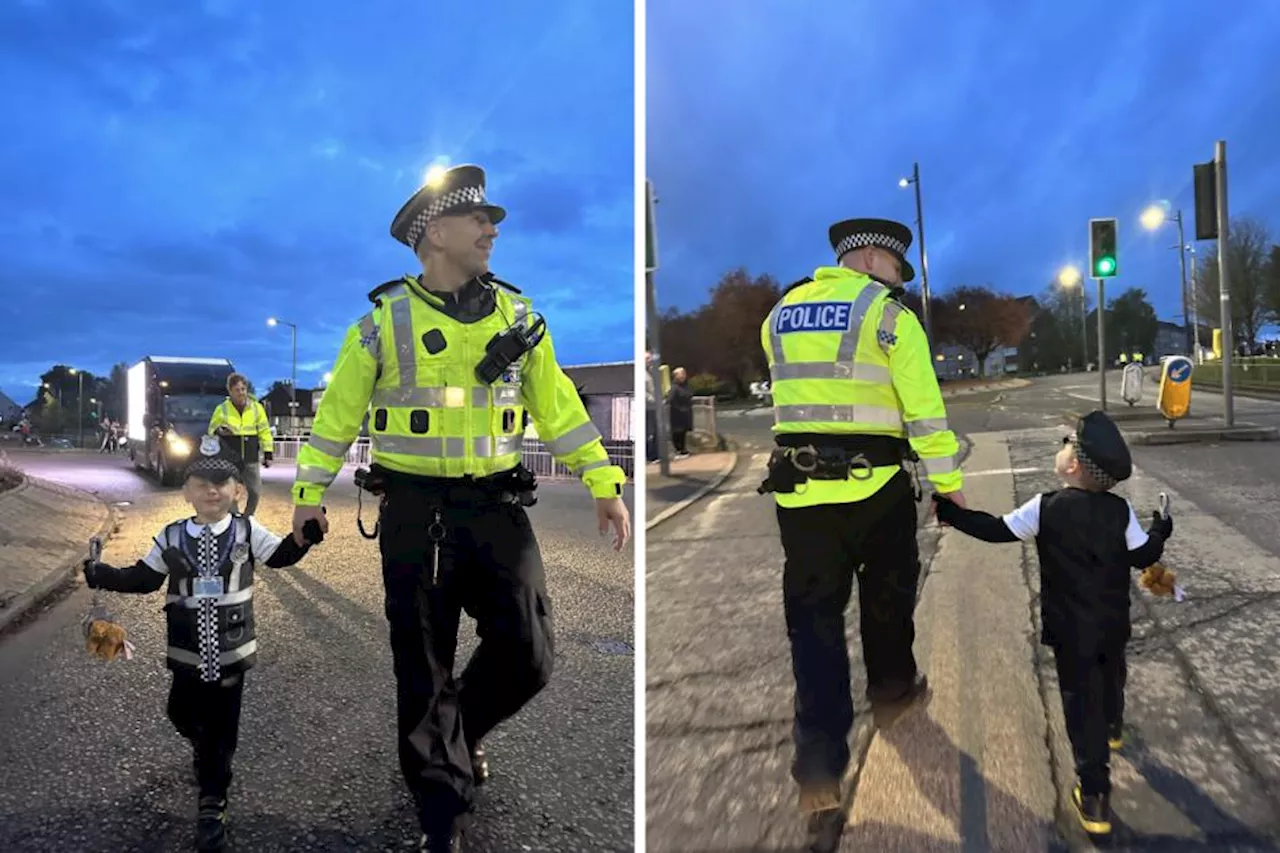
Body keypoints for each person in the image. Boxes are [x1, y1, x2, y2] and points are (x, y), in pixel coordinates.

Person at [289, 164, 631, 851]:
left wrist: (602, 480)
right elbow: (334, 420)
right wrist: (306, 496)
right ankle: (439, 811)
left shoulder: (519, 316)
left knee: (529, 651)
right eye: (479, 220)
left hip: (498, 504)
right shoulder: (381, 325)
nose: (493, 229)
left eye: (492, 220)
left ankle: (459, 731)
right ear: (433, 234)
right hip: (415, 511)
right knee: (421, 664)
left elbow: (558, 407)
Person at [757, 216, 964, 845]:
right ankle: (894, 689)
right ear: (874, 258)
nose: (901, 280)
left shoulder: (780, 314)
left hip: (800, 495)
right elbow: (924, 411)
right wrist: (950, 487)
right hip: (876, 489)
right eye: (899, 269)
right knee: (888, 595)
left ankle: (819, 771)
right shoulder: (891, 318)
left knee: (814, 627)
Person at [933, 410, 1172, 838]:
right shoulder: (1119, 512)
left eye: (1066, 445)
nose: (1060, 450)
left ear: (1074, 464)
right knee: (1112, 674)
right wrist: (1162, 528)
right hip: (1113, 624)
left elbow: (996, 530)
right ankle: (1114, 727)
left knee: (1081, 705)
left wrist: (953, 515)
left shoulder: (1045, 508)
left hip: (1069, 631)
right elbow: (1143, 555)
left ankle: (1095, 794)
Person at [81, 434, 322, 851]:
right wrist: (102, 574)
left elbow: (280, 555)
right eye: (201, 482)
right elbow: (145, 578)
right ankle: (204, 749)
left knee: (221, 730)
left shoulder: (247, 531)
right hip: (186, 651)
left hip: (231, 652)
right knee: (179, 712)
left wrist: (303, 539)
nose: (212, 490)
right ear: (186, 490)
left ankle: (213, 800)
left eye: (223, 482)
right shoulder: (171, 535)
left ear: (238, 491)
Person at [207, 373, 274, 516]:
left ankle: (248, 517)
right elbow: (211, 430)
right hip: (230, 459)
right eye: (237, 390)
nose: (241, 393)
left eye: (243, 389)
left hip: (251, 458)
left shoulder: (257, 408)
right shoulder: (222, 409)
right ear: (230, 391)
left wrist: (268, 453)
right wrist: (219, 431)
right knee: (230, 492)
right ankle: (235, 518)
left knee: (255, 492)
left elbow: (265, 431)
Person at [667, 366, 693, 459]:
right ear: (675, 376)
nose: (683, 376)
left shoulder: (685, 386)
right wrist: (679, 408)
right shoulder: (674, 388)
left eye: (684, 374)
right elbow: (670, 400)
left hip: (685, 412)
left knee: (683, 432)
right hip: (677, 413)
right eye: (680, 374)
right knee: (677, 432)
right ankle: (678, 450)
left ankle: (683, 449)